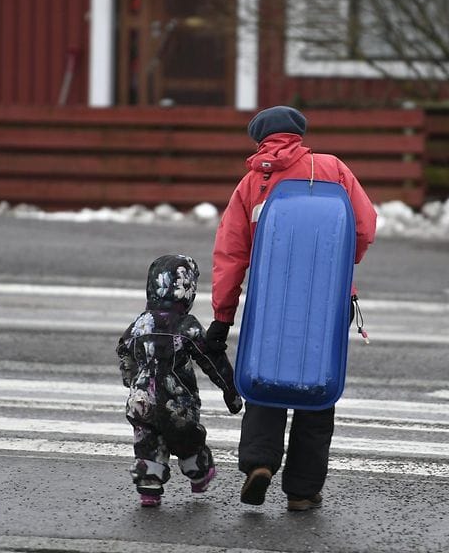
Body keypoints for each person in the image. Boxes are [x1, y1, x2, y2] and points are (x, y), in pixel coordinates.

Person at [207, 106, 377, 512]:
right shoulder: (331, 168)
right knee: (317, 390)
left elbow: (231, 253)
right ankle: (302, 491)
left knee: (265, 381)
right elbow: (365, 225)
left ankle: (259, 463)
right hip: (326, 301)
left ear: (260, 140)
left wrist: (222, 316)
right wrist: (339, 264)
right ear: (299, 134)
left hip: (270, 303)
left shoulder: (251, 184)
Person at [116, 254, 243, 508]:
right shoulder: (187, 325)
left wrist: (132, 382)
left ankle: (149, 488)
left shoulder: (140, 324)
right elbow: (211, 360)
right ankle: (199, 475)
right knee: (189, 442)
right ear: (187, 289)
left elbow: (124, 352)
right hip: (178, 404)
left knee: (147, 443)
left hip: (142, 403)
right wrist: (231, 391)